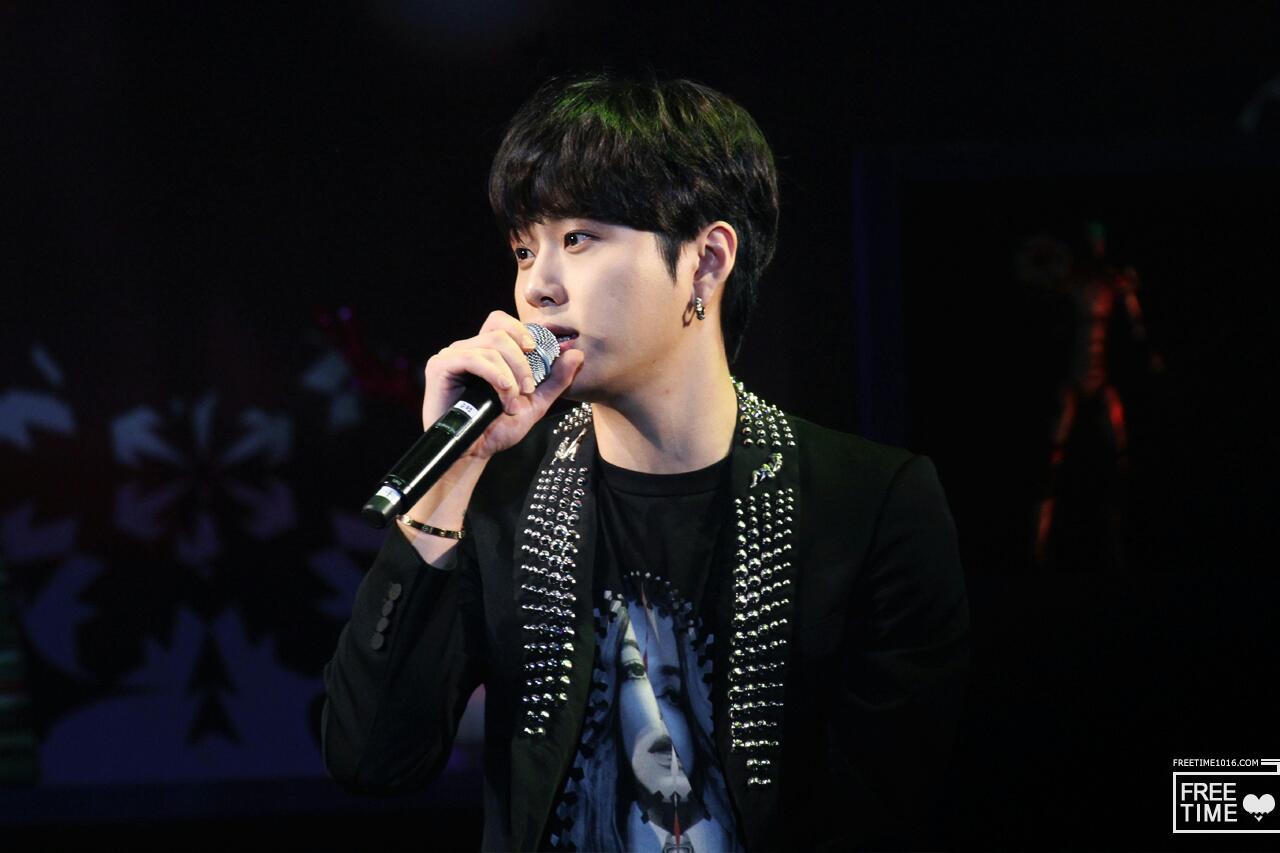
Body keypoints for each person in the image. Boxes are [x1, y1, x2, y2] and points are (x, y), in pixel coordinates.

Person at [322, 73, 970, 851]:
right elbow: (371, 758)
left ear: (706, 261)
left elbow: (899, 803)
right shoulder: (497, 493)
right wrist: (451, 478)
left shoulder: (869, 503)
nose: (539, 287)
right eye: (525, 249)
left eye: (579, 239)